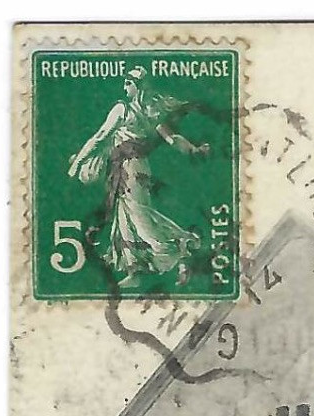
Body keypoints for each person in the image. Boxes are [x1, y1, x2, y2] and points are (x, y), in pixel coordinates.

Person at [67, 66, 210, 288]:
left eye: (129, 82)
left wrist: (77, 164)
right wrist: (193, 149)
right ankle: (134, 271)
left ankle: (181, 248)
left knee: (141, 217)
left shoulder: (122, 109)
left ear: (138, 86)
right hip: (136, 167)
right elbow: (173, 139)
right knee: (125, 217)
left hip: (129, 169)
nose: (125, 86)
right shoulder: (151, 112)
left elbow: (100, 137)